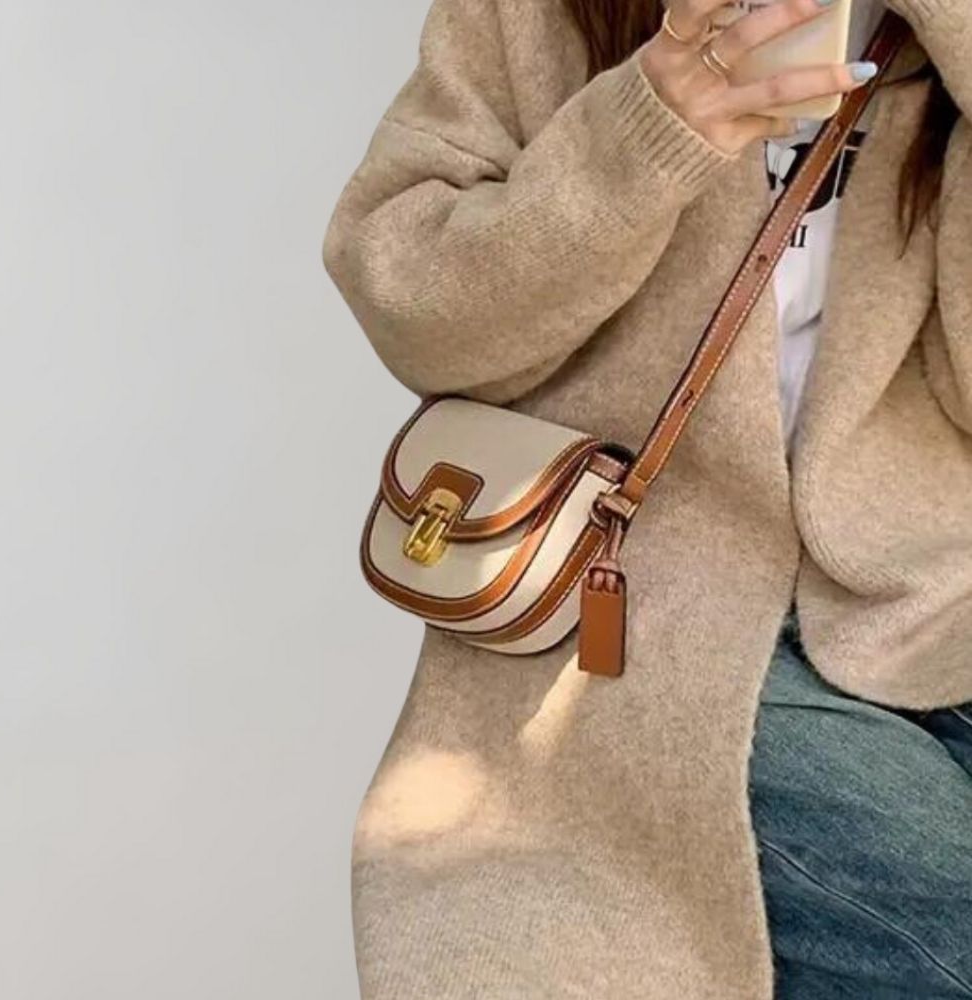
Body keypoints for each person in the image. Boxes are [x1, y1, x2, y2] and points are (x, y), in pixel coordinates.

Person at [322, 0, 972, 997]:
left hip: (929, 601)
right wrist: (645, 133)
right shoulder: (532, 16)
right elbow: (411, 305)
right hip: (640, 607)